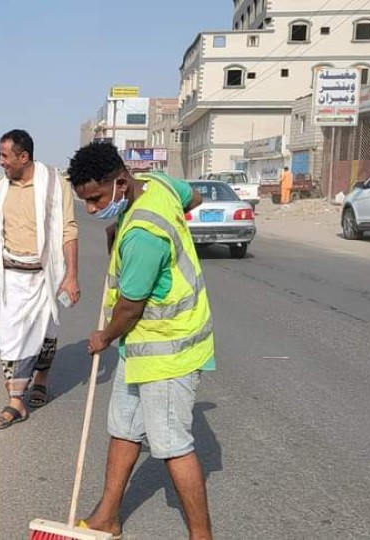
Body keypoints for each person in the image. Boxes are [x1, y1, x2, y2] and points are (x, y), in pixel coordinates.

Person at [65, 142, 214, 540]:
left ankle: (202, 537)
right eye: (85, 202)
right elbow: (193, 196)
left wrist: (102, 337)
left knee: (171, 445)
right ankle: (106, 518)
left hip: (168, 348)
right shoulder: (158, 184)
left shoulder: (143, 236)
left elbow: (130, 307)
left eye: (96, 199)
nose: (93, 209)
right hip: (141, 345)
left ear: (120, 181)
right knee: (124, 427)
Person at [0, 129, 80, 429]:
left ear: (23, 157)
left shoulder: (54, 183)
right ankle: (16, 400)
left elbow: (68, 229)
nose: (0, 162)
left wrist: (72, 275)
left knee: (46, 331)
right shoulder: (1, 188)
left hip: (45, 275)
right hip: (11, 274)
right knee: (11, 338)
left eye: (4, 156)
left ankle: (37, 382)